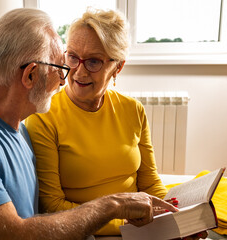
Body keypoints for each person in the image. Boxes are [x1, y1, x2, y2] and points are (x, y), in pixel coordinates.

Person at [0, 8, 179, 240]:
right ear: (30, 75)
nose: (66, 80)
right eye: (61, 67)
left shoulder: (17, 129)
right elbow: (10, 235)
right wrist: (113, 206)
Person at [25, 7, 196, 237]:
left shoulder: (133, 109)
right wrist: (126, 224)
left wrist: (176, 219)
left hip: (141, 228)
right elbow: (52, 207)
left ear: (118, 67)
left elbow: (150, 184)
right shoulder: (43, 117)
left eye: (94, 62)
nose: (79, 72)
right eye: (73, 57)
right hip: (89, 233)